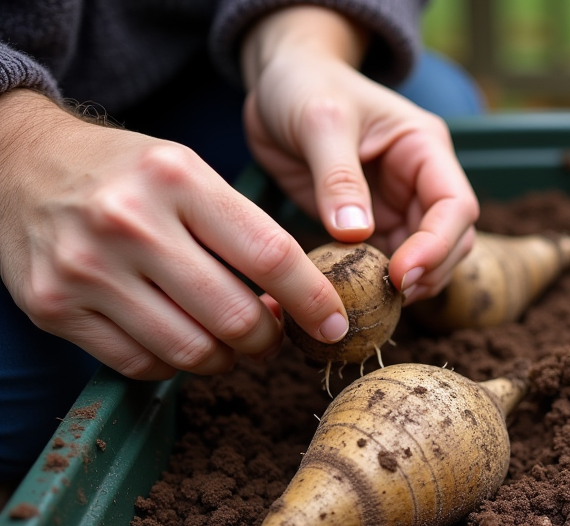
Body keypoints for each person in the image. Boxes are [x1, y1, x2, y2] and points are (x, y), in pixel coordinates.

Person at [0, 2, 482, 486]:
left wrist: (299, 43)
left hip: (198, 60)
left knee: (440, 102)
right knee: (46, 395)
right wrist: (18, 144)